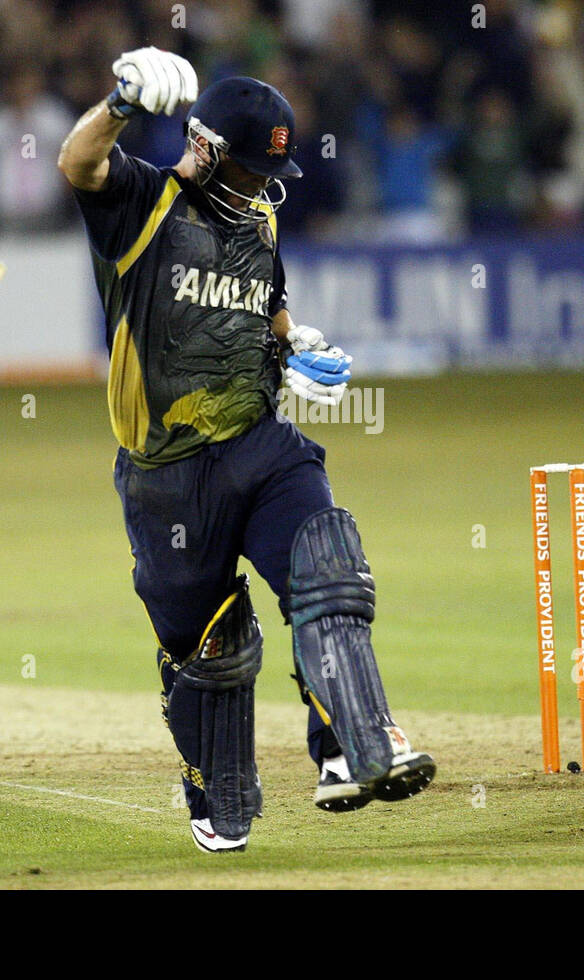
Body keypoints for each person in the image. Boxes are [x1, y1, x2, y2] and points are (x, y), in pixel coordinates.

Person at [56, 47, 435, 852]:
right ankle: (217, 788)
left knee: (327, 569)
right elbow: (76, 160)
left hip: (260, 448)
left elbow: (269, 300)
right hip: (165, 477)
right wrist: (122, 101)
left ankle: (351, 744)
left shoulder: (260, 214)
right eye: (249, 174)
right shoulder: (143, 204)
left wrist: (296, 350)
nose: (262, 191)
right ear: (203, 149)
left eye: (271, 177)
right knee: (212, 656)